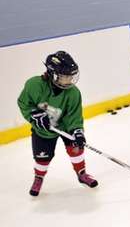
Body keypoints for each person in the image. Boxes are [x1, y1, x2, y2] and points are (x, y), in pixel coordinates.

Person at [17, 51, 98, 196]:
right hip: (44, 130)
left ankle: (81, 173)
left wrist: (77, 131)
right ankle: (39, 177)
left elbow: (74, 115)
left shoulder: (73, 93)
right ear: (52, 74)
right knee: (42, 157)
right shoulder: (34, 85)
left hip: (66, 127)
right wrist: (34, 116)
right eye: (65, 77)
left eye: (71, 76)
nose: (69, 80)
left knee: (76, 149)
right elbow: (24, 103)